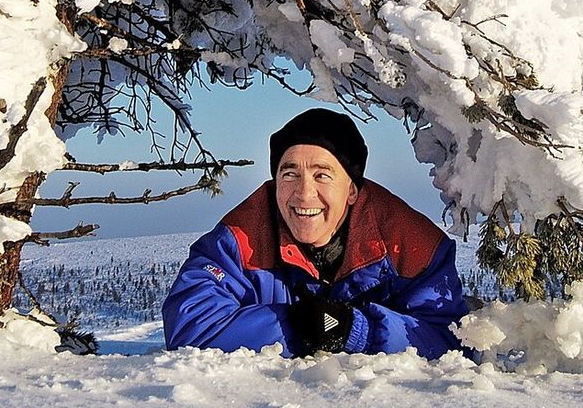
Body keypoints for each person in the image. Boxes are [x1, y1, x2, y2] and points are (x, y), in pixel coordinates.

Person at [162, 108, 466, 359]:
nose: (304, 193)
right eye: (290, 174)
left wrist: (356, 331)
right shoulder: (240, 239)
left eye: (322, 175)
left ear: (351, 191)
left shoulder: (410, 244)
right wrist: (296, 324)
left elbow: (450, 339)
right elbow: (190, 325)